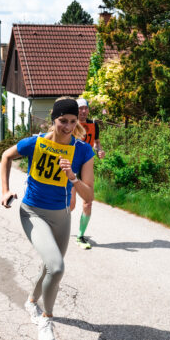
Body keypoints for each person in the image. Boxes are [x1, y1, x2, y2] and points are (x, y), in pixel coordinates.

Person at [0, 98, 95, 340]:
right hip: (33, 212)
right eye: (63, 121)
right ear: (53, 119)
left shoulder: (83, 150)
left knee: (49, 267)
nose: (68, 127)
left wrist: (72, 177)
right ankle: (46, 318)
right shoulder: (35, 143)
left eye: (73, 121)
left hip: (61, 216)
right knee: (57, 267)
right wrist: (5, 190)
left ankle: (32, 301)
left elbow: (89, 195)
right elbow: (6, 156)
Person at [70, 98, 105, 249]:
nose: (83, 111)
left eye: (85, 108)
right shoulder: (70, 123)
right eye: (80, 108)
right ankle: (57, 226)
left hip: (86, 164)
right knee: (71, 204)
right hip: (71, 165)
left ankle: (80, 236)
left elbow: (96, 143)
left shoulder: (93, 125)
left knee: (88, 201)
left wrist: (99, 150)